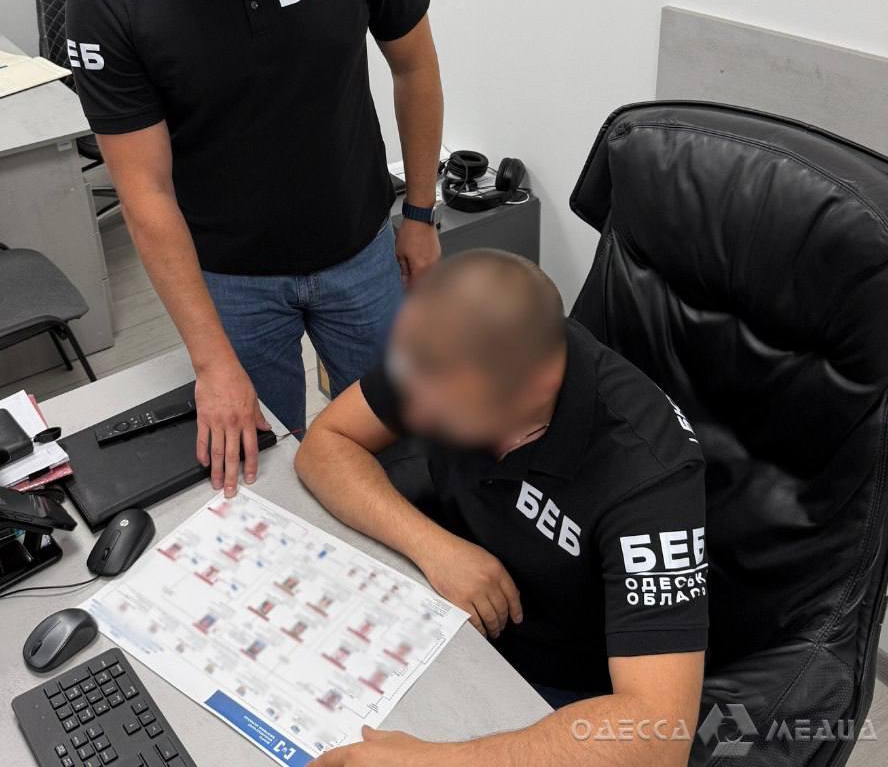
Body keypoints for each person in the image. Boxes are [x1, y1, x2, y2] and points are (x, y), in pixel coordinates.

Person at [66, 0, 444, 498]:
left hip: (360, 248)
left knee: (401, 449)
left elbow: (414, 66)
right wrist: (211, 362)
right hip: (229, 280)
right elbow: (144, 192)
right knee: (260, 478)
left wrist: (420, 213)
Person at [296, 250, 707, 766]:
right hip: (443, 602)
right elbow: (327, 441)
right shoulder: (450, 353)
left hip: (552, 690)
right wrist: (436, 548)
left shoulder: (650, 478)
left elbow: (659, 736)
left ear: (536, 384)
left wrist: (429, 763)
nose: (416, 411)